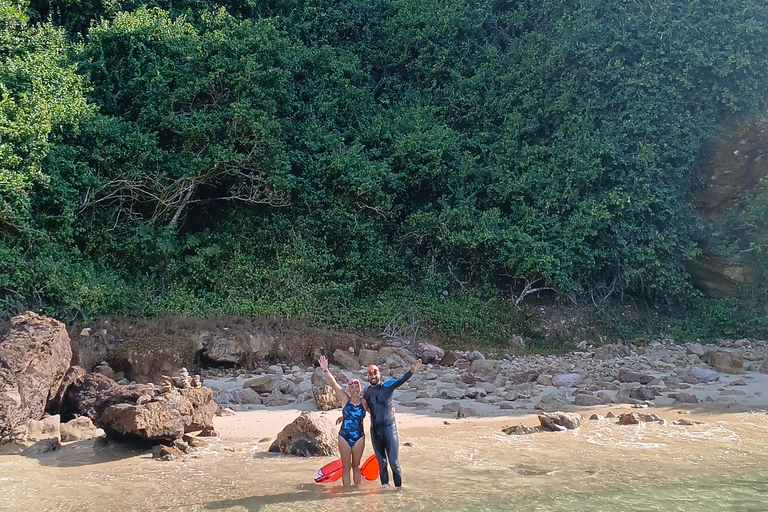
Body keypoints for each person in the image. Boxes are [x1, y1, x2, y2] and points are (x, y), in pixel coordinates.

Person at [363, 358, 422, 487]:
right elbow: (363, 406)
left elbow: (401, 379)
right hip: (375, 431)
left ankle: (398, 493)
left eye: (375, 372)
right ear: (367, 376)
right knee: (382, 463)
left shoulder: (388, 386)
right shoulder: (366, 392)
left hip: (389, 429)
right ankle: (385, 490)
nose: (373, 375)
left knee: (394, 463)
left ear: (379, 374)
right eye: (370, 373)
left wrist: (412, 370)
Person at [319, 355, 368, 487]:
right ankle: (346, 491)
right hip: (344, 436)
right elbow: (334, 383)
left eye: (357, 387)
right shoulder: (345, 399)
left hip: (359, 437)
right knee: (346, 467)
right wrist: (325, 370)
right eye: (352, 388)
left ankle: (355, 494)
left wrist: (390, 409)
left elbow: (377, 413)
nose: (355, 389)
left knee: (356, 466)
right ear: (349, 390)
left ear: (361, 389)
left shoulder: (365, 402)